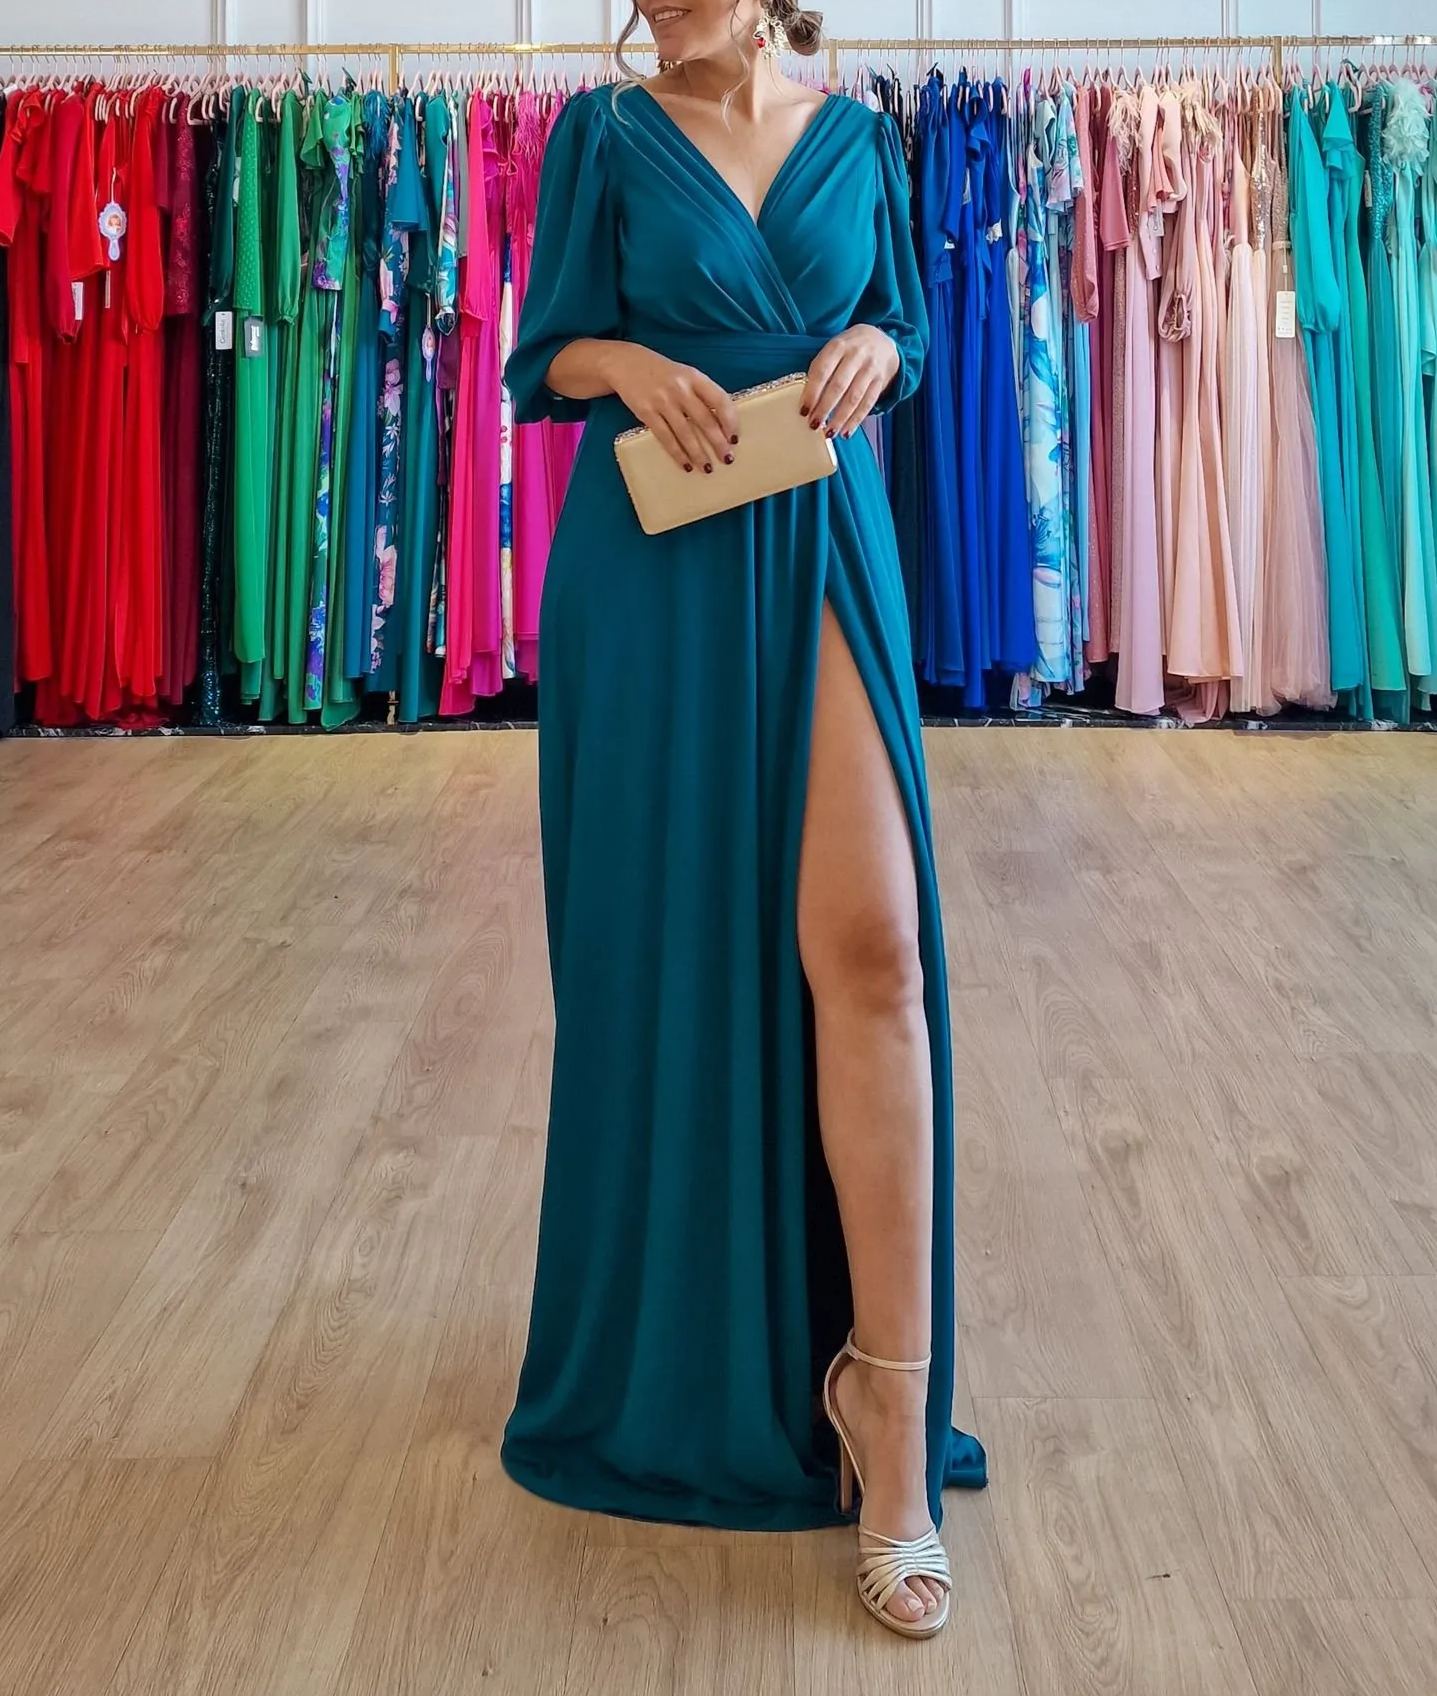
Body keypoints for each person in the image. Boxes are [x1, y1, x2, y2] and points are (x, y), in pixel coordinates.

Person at [499, 0, 987, 1638]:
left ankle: (889, 1413)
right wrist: (626, 361)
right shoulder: (600, 135)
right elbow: (545, 355)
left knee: (877, 952)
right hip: (655, 563)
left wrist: (879, 353)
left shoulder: (858, 133)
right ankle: (690, 1346)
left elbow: (900, 322)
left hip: (826, 539)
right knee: (672, 958)